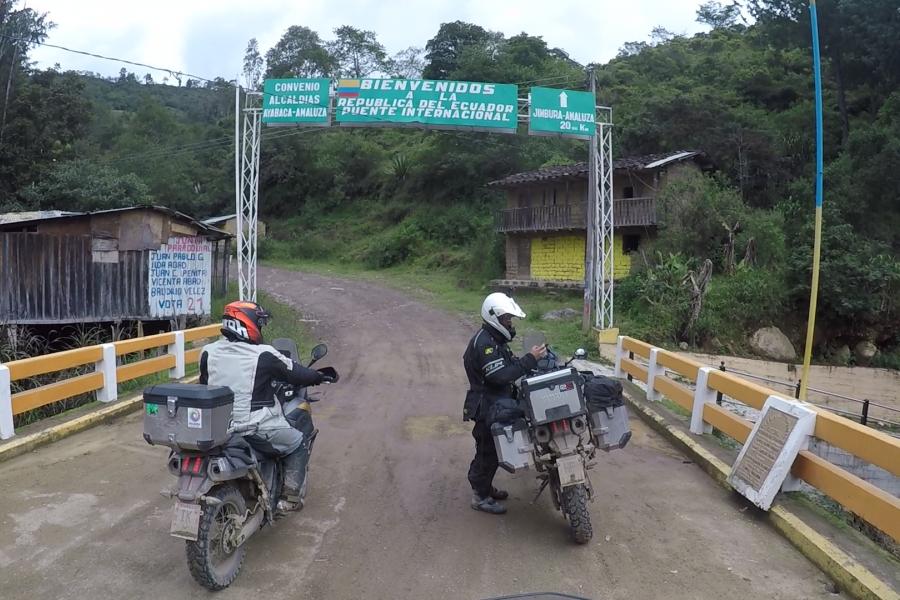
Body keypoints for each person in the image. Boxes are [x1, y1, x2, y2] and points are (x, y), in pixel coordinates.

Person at [199, 300, 325, 512]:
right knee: (297, 441)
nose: (261, 327)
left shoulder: (208, 351)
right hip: (254, 428)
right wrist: (319, 376)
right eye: (259, 322)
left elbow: (205, 384)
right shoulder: (263, 354)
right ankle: (290, 497)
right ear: (247, 323)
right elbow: (297, 373)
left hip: (220, 429)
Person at [463, 292, 547, 514]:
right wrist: (530, 360)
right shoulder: (485, 344)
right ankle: (480, 496)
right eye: (506, 320)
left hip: (496, 402)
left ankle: (485, 487)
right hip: (486, 406)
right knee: (487, 451)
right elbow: (499, 375)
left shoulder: (493, 339)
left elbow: (509, 365)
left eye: (510, 320)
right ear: (494, 318)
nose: (509, 324)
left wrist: (528, 363)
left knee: (495, 450)